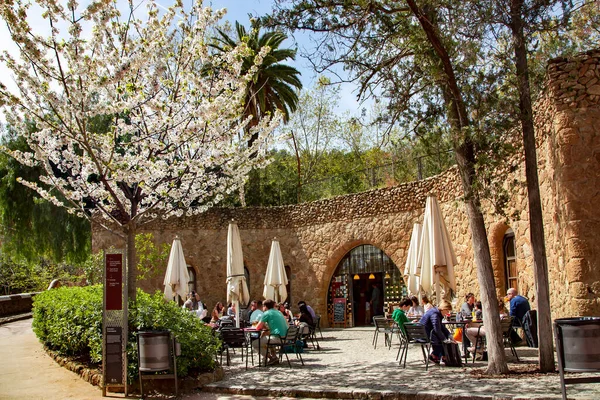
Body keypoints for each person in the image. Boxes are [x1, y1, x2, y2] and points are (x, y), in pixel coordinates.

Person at [253, 299, 289, 365]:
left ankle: (271, 358)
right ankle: (273, 356)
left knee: (255, 343)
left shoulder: (266, 313)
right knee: (268, 338)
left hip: (278, 338)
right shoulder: (279, 312)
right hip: (286, 338)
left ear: (265, 306)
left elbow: (258, 327)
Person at [420, 300, 452, 364]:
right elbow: (437, 329)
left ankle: (441, 356)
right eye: (447, 310)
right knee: (442, 340)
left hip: (423, 333)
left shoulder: (435, 312)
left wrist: (449, 335)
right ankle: (434, 355)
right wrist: (444, 339)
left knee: (443, 337)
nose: (448, 313)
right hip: (425, 335)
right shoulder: (435, 314)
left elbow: (441, 326)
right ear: (443, 309)